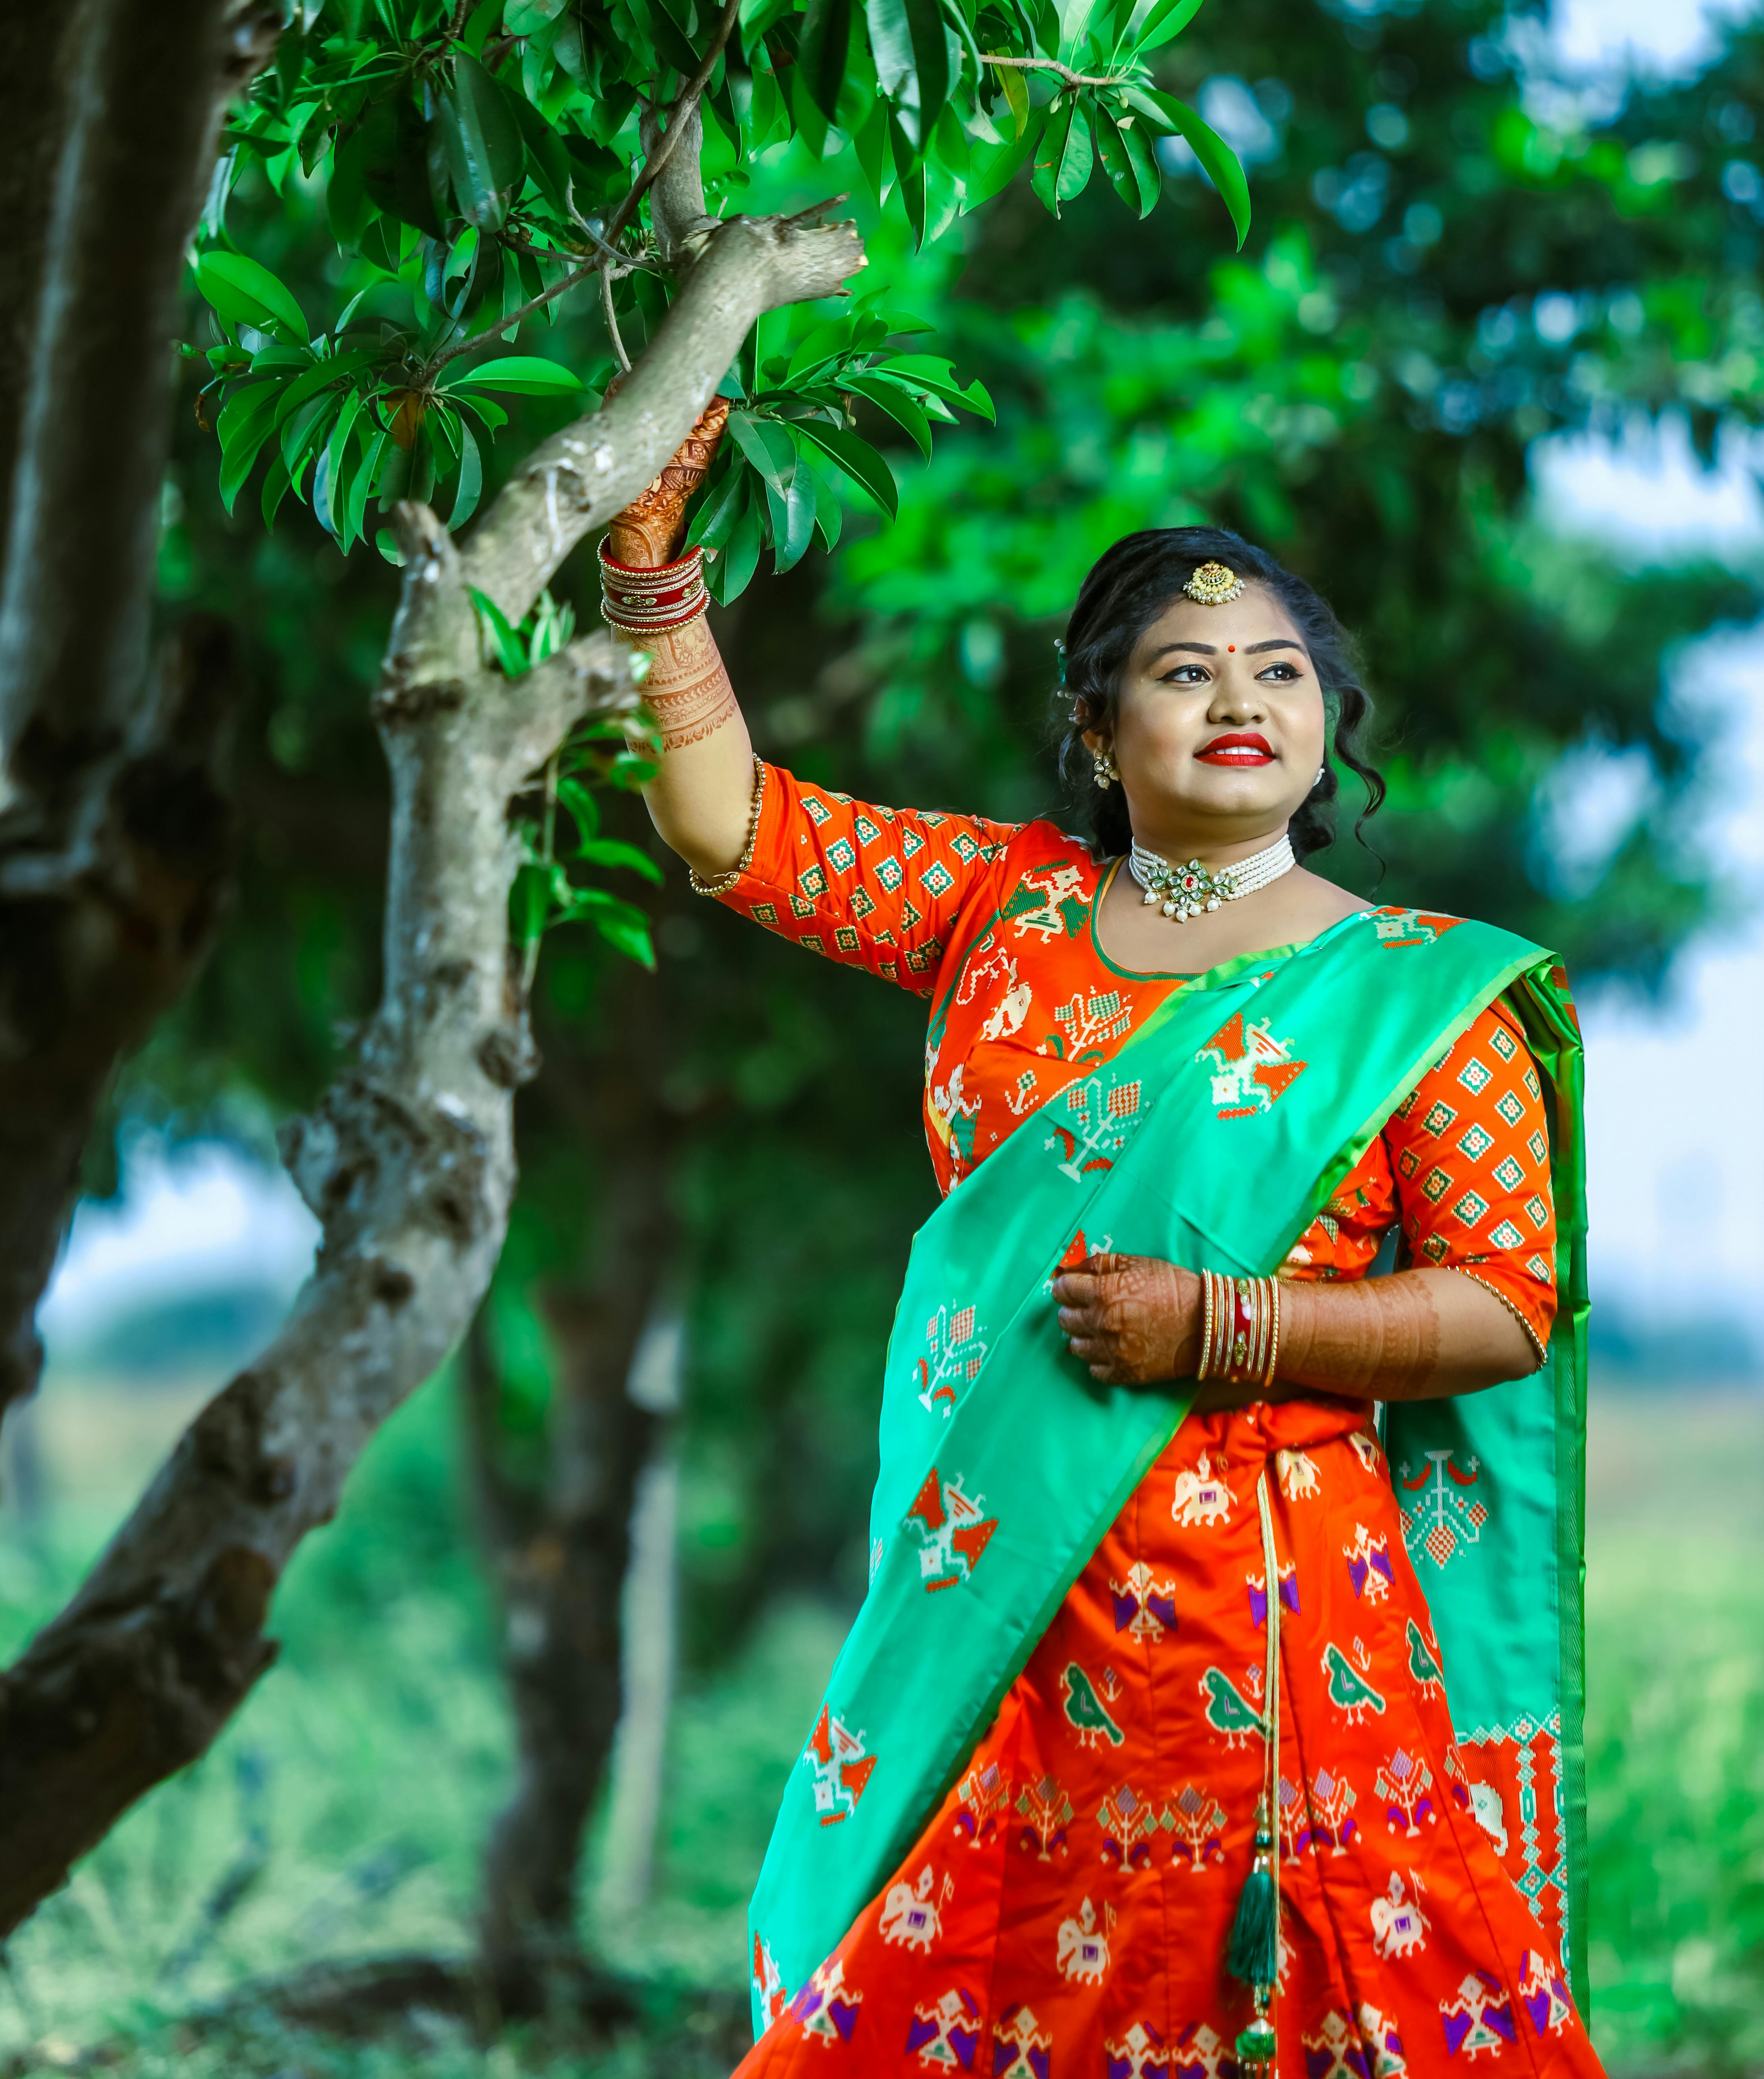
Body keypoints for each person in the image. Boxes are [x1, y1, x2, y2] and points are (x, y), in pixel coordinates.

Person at [600, 413, 1597, 2079]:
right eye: (1185, 670)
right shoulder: (1003, 908)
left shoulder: (1413, 998)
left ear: (1327, 724)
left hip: (1275, 1628)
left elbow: (1502, 1303)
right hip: (1000, 1602)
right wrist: (650, 582)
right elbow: (734, 833)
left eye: (1279, 674)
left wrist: (1223, 1325)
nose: (1238, 704)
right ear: (1094, 723)